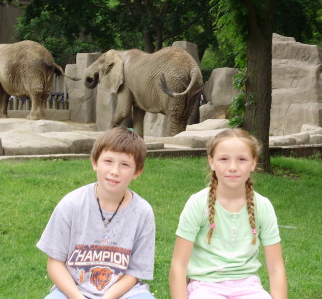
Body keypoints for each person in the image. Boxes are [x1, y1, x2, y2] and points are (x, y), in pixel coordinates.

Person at [37, 127, 156, 299]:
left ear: (137, 172)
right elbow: (55, 263)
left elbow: (135, 271)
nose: (115, 171)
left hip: (124, 293)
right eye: (108, 161)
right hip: (73, 289)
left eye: (125, 164)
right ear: (94, 162)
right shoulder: (71, 204)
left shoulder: (143, 212)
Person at [169, 128, 287, 299]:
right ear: (211, 162)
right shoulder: (197, 204)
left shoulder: (263, 206)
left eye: (242, 159)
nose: (233, 167)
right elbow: (178, 266)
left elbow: (276, 269)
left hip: (249, 288)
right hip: (205, 287)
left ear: (253, 163)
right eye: (224, 159)